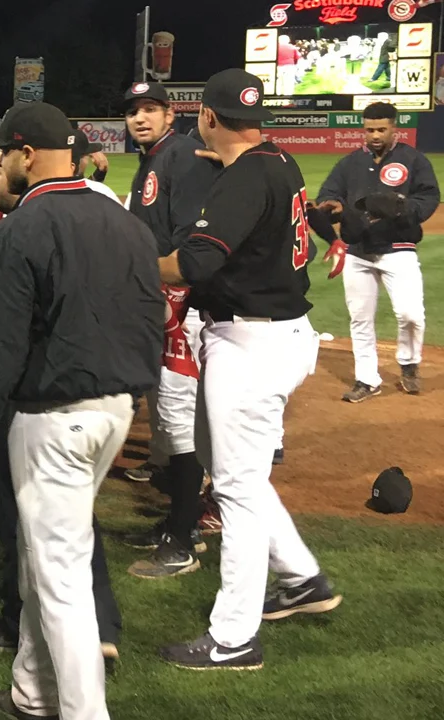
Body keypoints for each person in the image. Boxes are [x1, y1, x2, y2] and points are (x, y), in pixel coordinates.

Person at [0, 101, 162, 720]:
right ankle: (33, 694)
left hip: (54, 420)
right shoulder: (127, 222)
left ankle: (82, 711)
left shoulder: (20, 230)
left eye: (4, 152)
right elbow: (152, 316)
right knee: (42, 562)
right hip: (115, 410)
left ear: (27, 155)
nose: (0, 163)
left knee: (59, 575)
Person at [156, 68, 342, 671]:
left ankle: (233, 638)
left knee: (235, 489)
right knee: (241, 474)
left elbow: (193, 264)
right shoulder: (282, 162)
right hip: (279, 333)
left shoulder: (243, 177)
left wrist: (122, 255)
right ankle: (302, 579)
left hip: (250, 344)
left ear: (207, 117)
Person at [117, 82, 223, 580]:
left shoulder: (181, 154)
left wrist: (172, 297)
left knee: (178, 415)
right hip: (162, 301)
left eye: (151, 109)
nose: (140, 117)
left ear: (170, 113)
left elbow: (192, 236)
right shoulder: (154, 158)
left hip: (182, 304)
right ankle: (178, 522)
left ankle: (184, 537)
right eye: (134, 111)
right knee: (166, 418)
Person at [315, 101, 439, 402]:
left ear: (394, 127)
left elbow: (429, 196)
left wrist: (403, 209)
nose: (375, 135)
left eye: (381, 129)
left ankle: (409, 363)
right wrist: (330, 206)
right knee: (360, 318)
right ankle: (366, 379)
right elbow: (329, 193)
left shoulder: (413, 160)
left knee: (411, 314)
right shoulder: (349, 163)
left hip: (399, 249)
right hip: (358, 251)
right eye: (370, 129)